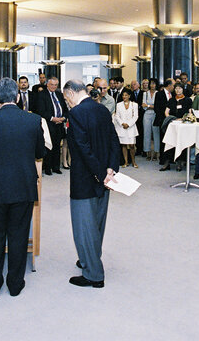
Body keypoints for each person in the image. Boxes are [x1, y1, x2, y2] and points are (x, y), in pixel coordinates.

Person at [0, 78, 46, 297]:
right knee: (18, 234)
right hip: (23, 185)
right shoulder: (33, 121)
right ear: (17, 98)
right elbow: (40, 153)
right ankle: (15, 283)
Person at [62, 79, 119, 288]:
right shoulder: (102, 110)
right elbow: (114, 140)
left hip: (86, 179)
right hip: (105, 177)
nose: (66, 101)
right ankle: (89, 257)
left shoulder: (76, 114)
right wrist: (110, 169)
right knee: (97, 222)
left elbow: (82, 149)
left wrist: (98, 173)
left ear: (71, 93)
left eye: (66, 97)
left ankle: (93, 274)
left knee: (84, 226)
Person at [33, 77, 68, 175]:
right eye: (52, 84)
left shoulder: (60, 95)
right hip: (48, 124)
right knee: (49, 146)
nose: (54, 87)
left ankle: (56, 167)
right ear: (47, 84)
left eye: (56, 85)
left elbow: (65, 109)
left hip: (60, 124)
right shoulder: (41, 95)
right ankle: (48, 168)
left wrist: (63, 118)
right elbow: (40, 111)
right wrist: (53, 118)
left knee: (57, 146)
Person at [161, 83, 192, 171]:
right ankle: (167, 163)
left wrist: (183, 119)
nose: (178, 90)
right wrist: (170, 119)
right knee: (169, 142)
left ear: (183, 89)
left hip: (183, 124)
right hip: (173, 124)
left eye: (180, 88)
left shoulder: (187, 100)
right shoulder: (171, 100)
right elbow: (166, 112)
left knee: (181, 143)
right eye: (176, 88)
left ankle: (179, 162)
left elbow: (190, 113)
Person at [113, 88, 139, 168]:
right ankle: (126, 162)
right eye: (123, 95)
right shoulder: (119, 104)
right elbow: (117, 116)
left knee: (131, 145)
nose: (124, 96)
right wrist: (122, 123)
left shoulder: (134, 105)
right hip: (122, 127)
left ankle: (134, 162)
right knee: (123, 145)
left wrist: (128, 124)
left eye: (126, 95)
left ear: (129, 96)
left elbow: (136, 116)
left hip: (131, 127)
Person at [154, 79, 174, 167]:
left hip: (173, 121)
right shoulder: (159, 94)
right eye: (173, 85)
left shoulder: (173, 95)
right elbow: (157, 108)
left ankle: (171, 159)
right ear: (169, 85)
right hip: (163, 121)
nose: (174, 87)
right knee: (163, 141)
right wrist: (164, 119)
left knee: (172, 140)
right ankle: (163, 159)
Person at [141, 78, 160, 161]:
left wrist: (148, 106)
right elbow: (143, 105)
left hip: (156, 114)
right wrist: (150, 106)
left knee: (156, 133)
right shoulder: (145, 93)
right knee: (147, 133)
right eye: (151, 83)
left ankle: (156, 152)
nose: (152, 85)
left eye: (154, 83)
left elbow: (157, 106)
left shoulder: (158, 93)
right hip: (147, 114)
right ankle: (148, 152)